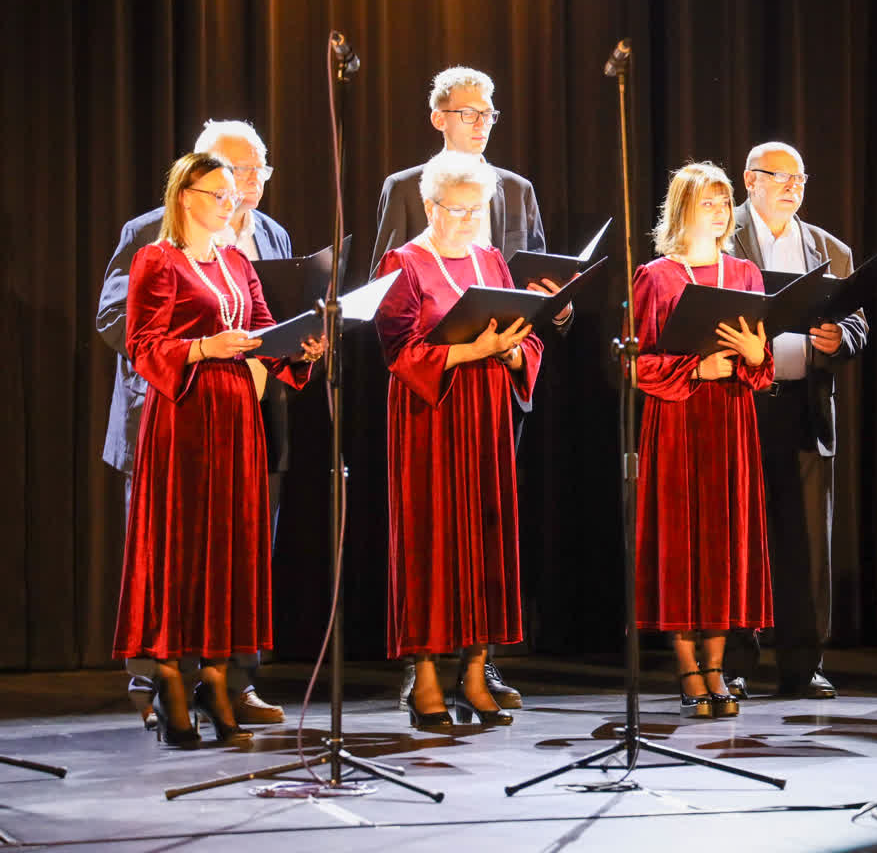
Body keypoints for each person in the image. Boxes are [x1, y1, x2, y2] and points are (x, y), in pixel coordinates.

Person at [112, 152, 322, 748]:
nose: (231, 204)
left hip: (236, 416)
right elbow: (143, 344)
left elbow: (263, 330)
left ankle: (215, 678)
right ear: (186, 196)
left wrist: (298, 349)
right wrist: (203, 349)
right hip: (183, 416)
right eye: (219, 194)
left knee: (230, 547)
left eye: (234, 195)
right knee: (182, 547)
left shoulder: (237, 263)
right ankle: (170, 679)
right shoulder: (157, 260)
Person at [373, 66, 563, 711]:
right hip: (430, 417)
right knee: (430, 541)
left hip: (486, 417)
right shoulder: (404, 261)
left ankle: (477, 670)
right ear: (430, 207)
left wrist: (510, 350)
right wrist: (468, 351)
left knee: (485, 536)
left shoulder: (490, 259)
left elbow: (526, 334)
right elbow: (397, 349)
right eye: (452, 209)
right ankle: (425, 674)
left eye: (473, 211)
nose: (463, 220)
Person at [720, 142, 868, 700]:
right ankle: (733, 663)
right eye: (779, 176)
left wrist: (840, 338)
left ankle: (804, 665)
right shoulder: (722, 234)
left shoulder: (830, 249)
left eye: (799, 177)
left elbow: (857, 325)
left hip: (805, 406)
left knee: (806, 542)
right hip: (739, 404)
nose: (791, 186)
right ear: (749, 179)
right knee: (740, 538)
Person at [634, 162, 774, 717]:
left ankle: (716, 667)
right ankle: (687, 666)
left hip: (732, 421)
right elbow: (637, 364)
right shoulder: (657, 276)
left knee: (724, 540)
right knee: (681, 539)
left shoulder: (744, 273)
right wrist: (696, 369)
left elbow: (762, 365)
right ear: (682, 210)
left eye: (723, 203)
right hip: (677, 422)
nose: (719, 213)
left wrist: (756, 356)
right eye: (707, 203)